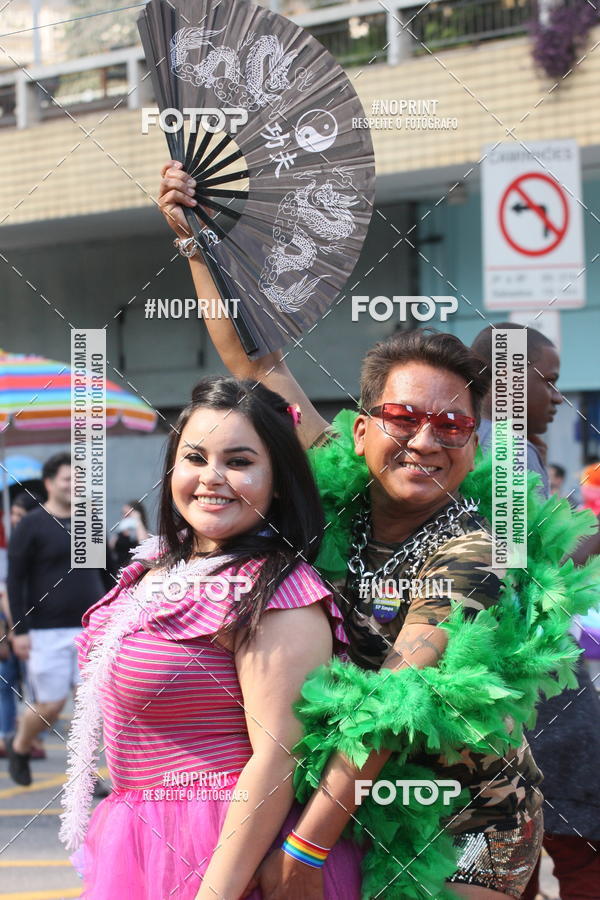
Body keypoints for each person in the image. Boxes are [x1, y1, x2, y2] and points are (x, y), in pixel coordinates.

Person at [157, 164, 599, 899]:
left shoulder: (479, 551)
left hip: (469, 820)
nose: (426, 441)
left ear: (473, 442)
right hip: (351, 797)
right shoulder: (335, 482)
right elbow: (256, 360)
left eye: (452, 424)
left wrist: (299, 852)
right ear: (361, 431)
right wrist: (198, 246)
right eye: (403, 419)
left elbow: (395, 702)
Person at [59, 377, 363, 900]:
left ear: (280, 480)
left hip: (223, 852)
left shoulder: (277, 590)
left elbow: (276, 760)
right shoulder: (156, 569)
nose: (211, 478)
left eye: (239, 462)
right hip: (142, 839)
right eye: (195, 457)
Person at [472, 323, 600, 900]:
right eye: (547, 381)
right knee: (582, 850)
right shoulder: (505, 446)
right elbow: (528, 576)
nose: (558, 398)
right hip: (533, 683)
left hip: (482, 688)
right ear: (505, 383)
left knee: (499, 860)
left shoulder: (479, 443)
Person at [6, 453, 107, 786]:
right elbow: (15, 580)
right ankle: (21, 744)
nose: (74, 485)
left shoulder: (90, 520)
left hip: (90, 628)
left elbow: (106, 573)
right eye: (67, 478)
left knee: (89, 707)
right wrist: (18, 630)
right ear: (50, 483)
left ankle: (85, 779)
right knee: (49, 708)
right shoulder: (31, 525)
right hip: (46, 631)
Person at [0, 492, 42, 760]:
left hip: (39, 627)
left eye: (20, 515)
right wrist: (8, 632)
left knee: (35, 686)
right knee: (5, 683)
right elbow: (5, 592)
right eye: (13, 515)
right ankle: (6, 737)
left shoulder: (41, 546)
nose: (15, 520)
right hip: (11, 625)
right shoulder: (8, 548)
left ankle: (31, 738)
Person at [108, 500, 149, 576]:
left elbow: (144, 543)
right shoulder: (121, 532)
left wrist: (138, 520)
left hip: (134, 571)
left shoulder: (140, 530)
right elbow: (111, 547)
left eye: (128, 514)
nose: (125, 516)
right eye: (124, 513)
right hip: (119, 570)